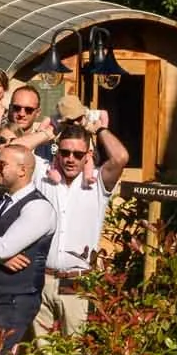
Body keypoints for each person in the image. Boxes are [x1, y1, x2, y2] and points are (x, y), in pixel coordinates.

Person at [36, 116, 129, 336]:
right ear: (57, 152)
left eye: (78, 154)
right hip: (42, 280)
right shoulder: (43, 176)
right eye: (65, 152)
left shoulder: (96, 182)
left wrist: (100, 130)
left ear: (87, 156)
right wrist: (52, 131)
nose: (70, 159)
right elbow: (15, 150)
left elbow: (121, 157)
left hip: (76, 283)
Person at [0, 144, 56, 354]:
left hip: (15, 299)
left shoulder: (39, 207)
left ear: (22, 170)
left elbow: (3, 247)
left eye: (2, 164)